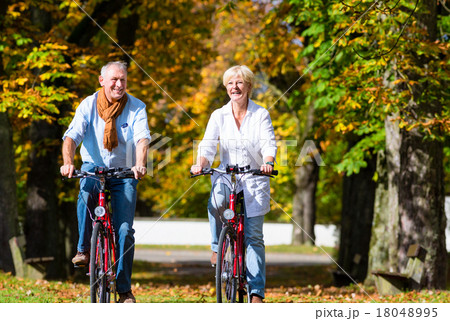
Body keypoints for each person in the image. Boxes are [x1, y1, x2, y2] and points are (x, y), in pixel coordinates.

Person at [60, 61, 150, 303]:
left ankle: (124, 290)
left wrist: (140, 164)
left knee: (124, 231)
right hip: (94, 168)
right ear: (102, 81)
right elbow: (71, 137)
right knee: (85, 190)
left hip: (124, 172)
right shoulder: (88, 105)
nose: (119, 84)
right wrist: (68, 162)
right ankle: (83, 249)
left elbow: (142, 140)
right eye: (114, 80)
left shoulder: (136, 108)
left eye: (123, 80)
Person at [191, 65, 277, 303]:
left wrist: (268, 162)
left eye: (239, 83)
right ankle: (217, 248)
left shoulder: (260, 114)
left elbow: (268, 143)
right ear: (226, 87)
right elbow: (208, 145)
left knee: (253, 236)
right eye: (230, 83)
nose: (234, 87)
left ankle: (256, 292)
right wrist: (201, 163)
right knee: (216, 201)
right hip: (226, 176)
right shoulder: (218, 115)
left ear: (248, 87)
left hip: (253, 177)